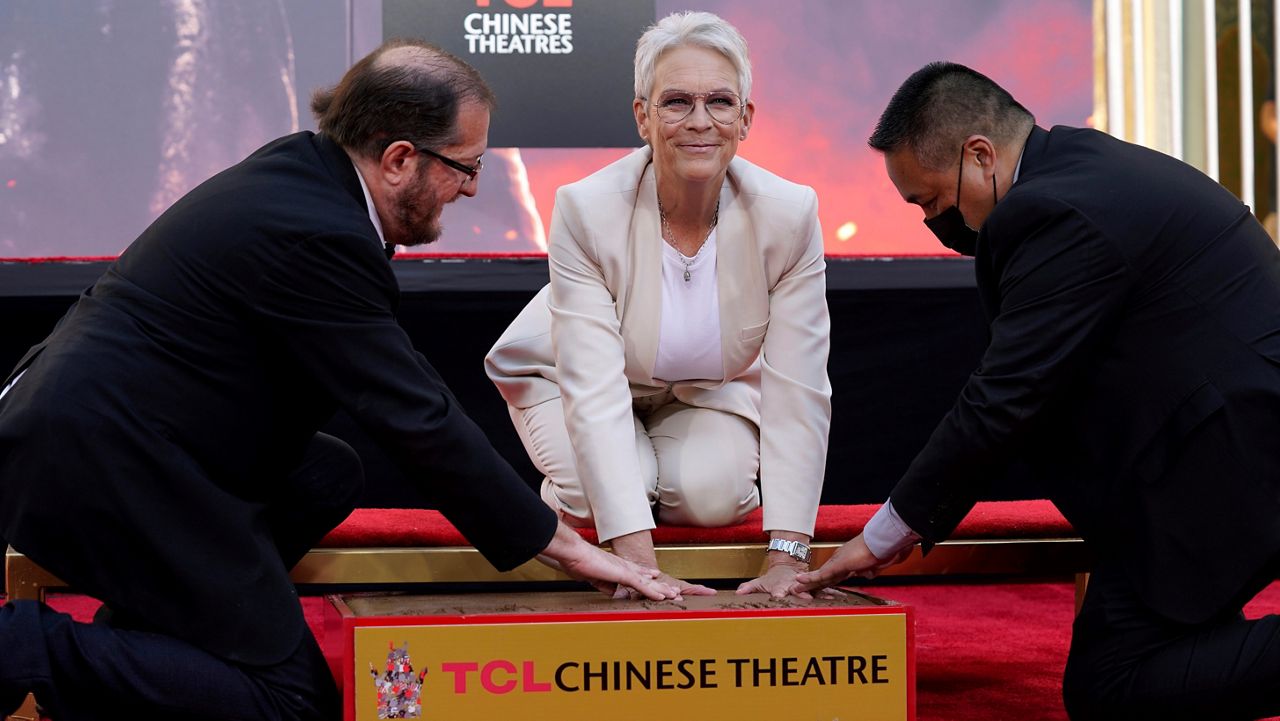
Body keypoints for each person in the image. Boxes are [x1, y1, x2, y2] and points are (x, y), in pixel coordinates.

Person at [0, 39, 676, 721]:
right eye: (467, 167)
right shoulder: (321, 234)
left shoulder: (303, 173)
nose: (472, 188)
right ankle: (23, 646)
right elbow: (417, 419)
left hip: (109, 428)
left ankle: (148, 637)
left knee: (328, 472)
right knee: (290, 702)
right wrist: (563, 547)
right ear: (399, 159)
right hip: (101, 460)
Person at [792, 61, 1280, 720]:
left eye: (932, 201)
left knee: (1112, 684)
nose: (933, 222)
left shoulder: (1051, 211)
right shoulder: (1080, 166)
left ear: (981, 154)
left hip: (1228, 457)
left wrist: (881, 535)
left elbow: (1004, 397)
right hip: (1222, 436)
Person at [485, 11, 831, 599]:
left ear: (745, 119)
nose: (700, 122)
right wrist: (639, 567)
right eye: (676, 103)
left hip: (698, 388)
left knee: (712, 497)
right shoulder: (585, 208)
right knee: (616, 486)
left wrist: (786, 556)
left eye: (720, 102)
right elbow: (594, 386)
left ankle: (638, 484)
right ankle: (581, 495)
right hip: (563, 378)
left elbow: (800, 386)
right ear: (643, 116)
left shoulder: (790, 213)